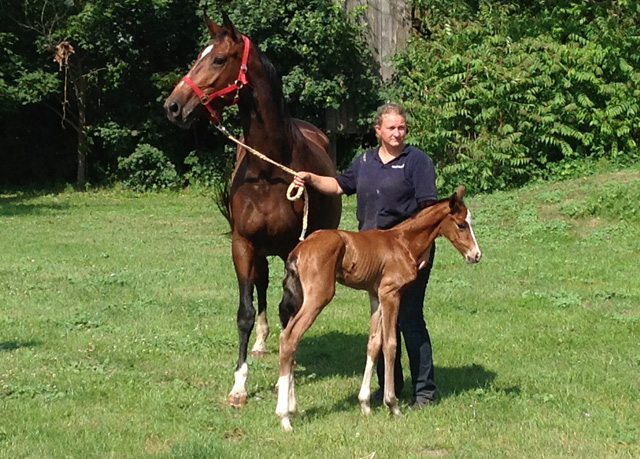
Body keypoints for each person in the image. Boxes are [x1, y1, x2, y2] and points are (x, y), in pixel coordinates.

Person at [293, 102, 438, 407]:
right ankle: (392, 388)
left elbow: (429, 212)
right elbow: (339, 185)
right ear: (378, 131)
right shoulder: (365, 161)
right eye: (391, 128)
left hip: (407, 252)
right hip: (374, 251)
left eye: (401, 127)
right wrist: (309, 179)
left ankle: (424, 391)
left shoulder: (417, 162)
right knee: (384, 321)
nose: (397, 133)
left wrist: (424, 250)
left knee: (409, 318)